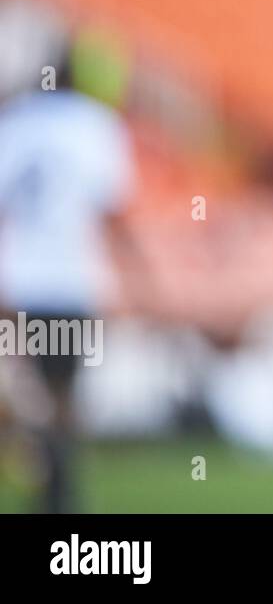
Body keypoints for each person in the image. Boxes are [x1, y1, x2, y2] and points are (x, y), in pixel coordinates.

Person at [0, 38, 147, 512]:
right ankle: (60, 494)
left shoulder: (17, 121)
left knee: (34, 392)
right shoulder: (95, 126)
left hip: (22, 279)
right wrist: (139, 276)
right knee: (63, 396)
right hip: (70, 282)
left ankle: (47, 484)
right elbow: (113, 213)